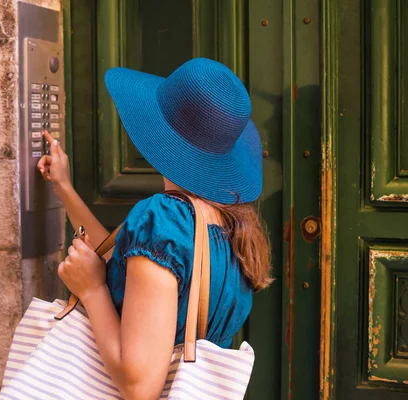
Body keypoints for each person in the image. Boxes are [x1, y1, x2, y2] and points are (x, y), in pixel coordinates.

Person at [37, 58, 272, 400]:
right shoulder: (232, 224)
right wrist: (65, 189)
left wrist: (91, 290)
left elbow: (139, 386)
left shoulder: (165, 219)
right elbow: (139, 272)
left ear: (160, 131)